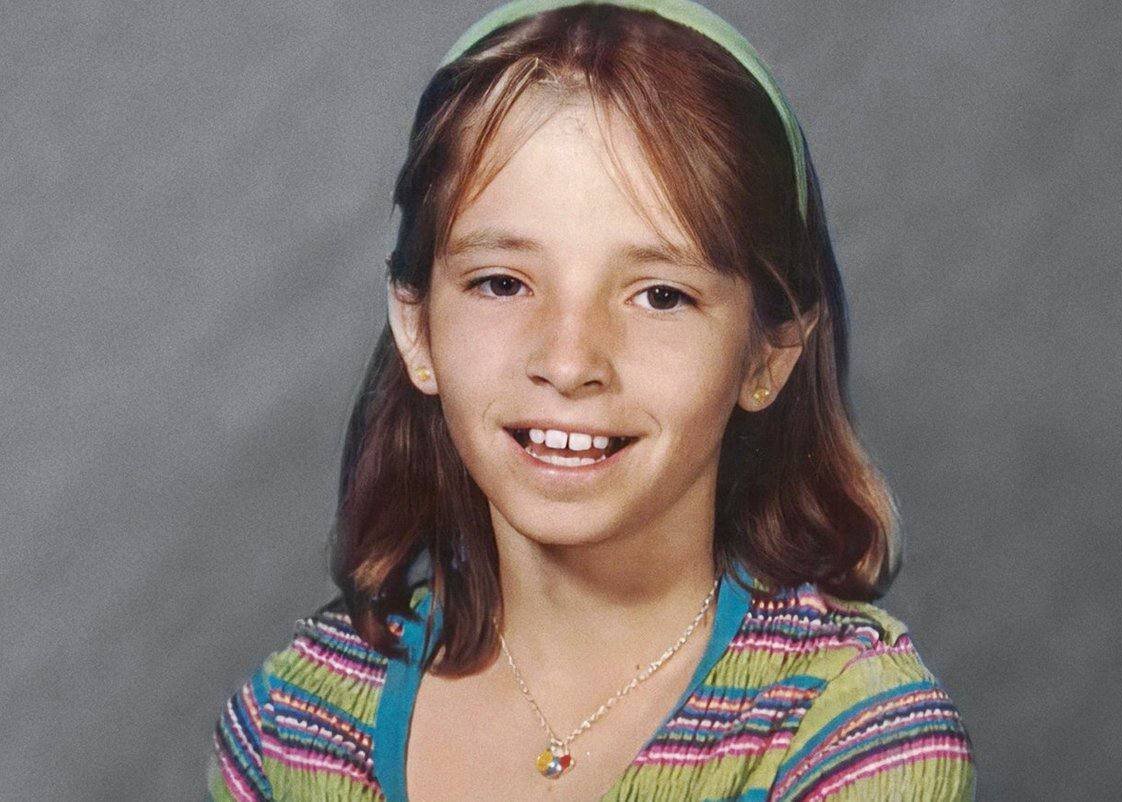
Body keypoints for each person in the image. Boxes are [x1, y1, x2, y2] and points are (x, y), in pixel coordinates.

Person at [206, 1, 976, 800]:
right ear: (417, 326)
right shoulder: (290, 728)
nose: (570, 363)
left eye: (660, 296)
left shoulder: (852, 734)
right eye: (501, 283)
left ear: (769, 353)